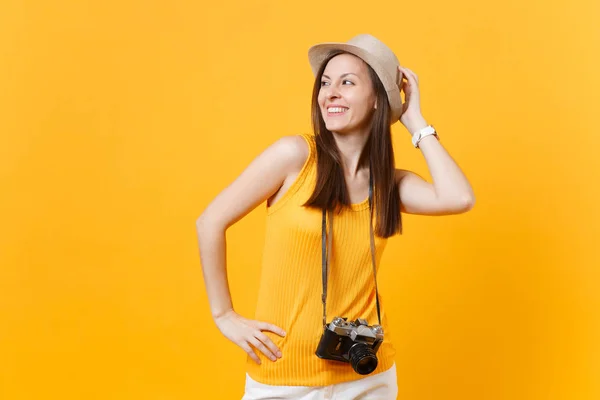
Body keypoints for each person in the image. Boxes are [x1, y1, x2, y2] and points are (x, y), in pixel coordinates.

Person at [196, 33, 475, 399]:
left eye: (347, 82)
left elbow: (459, 197)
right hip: (284, 376)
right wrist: (224, 315)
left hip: (368, 374)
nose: (330, 93)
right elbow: (210, 221)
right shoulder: (294, 157)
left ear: (377, 99)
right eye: (325, 83)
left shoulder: (389, 183)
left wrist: (416, 121)